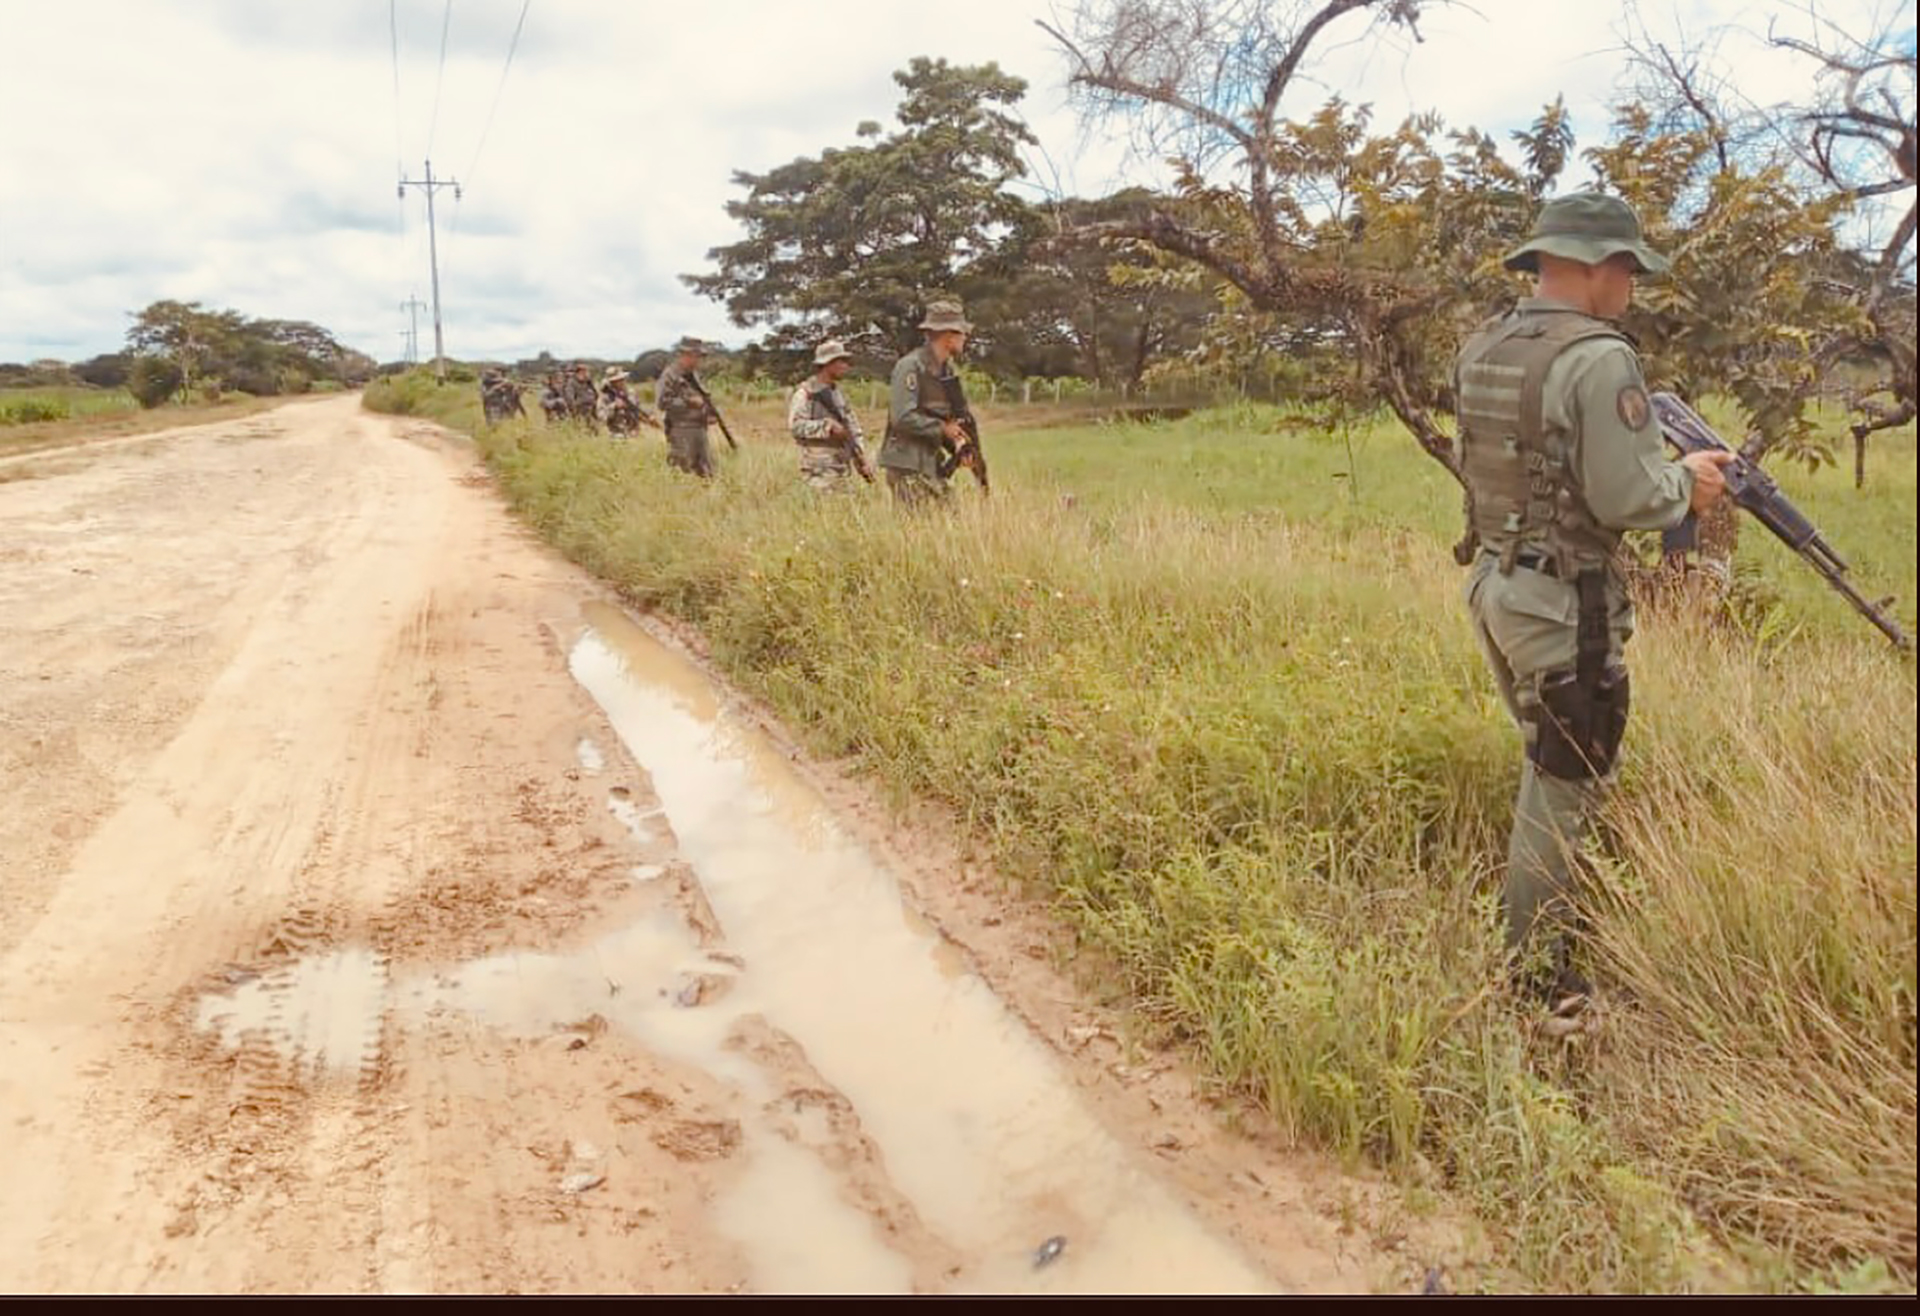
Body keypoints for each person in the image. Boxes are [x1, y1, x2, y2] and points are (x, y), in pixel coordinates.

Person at [1452, 191, 1733, 1031]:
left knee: (1551, 767)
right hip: (1565, 604)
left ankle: (1543, 942)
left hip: (1498, 585)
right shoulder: (1600, 358)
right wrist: (1693, 483)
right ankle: (1541, 988)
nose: (1631, 287)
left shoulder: (1488, 343)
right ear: (1587, 265)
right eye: (1626, 269)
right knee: (1565, 784)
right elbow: (1628, 496)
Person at [880, 299, 977, 508]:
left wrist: (958, 445)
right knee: (916, 533)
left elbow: (943, 418)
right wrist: (943, 429)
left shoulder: (946, 372)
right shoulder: (910, 367)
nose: (965, 337)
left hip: (932, 463)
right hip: (907, 465)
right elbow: (902, 417)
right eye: (961, 332)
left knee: (948, 525)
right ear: (947, 335)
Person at [787, 340, 871, 491]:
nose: (846, 366)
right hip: (818, 474)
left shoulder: (838, 395)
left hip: (841, 471)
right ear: (828, 363)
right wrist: (827, 427)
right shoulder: (806, 394)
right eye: (841, 361)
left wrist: (861, 460)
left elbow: (852, 428)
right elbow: (796, 427)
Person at [656, 336, 719, 478]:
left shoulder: (693, 375)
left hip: (700, 429)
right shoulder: (669, 375)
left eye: (699, 357)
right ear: (684, 355)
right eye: (695, 356)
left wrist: (708, 413)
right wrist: (688, 402)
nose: (697, 360)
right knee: (682, 473)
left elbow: (702, 398)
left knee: (707, 474)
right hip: (681, 431)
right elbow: (662, 403)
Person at [563, 362, 600, 431]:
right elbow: (570, 397)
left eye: (586, 372)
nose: (585, 374)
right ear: (578, 372)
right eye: (583, 372)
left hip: (592, 407)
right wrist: (575, 407)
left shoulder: (588, 382)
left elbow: (596, 393)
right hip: (580, 408)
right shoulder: (571, 382)